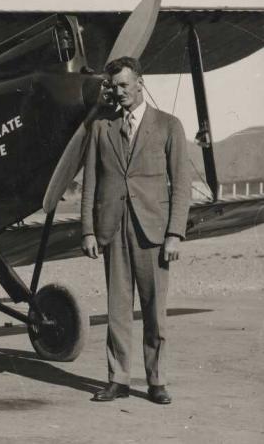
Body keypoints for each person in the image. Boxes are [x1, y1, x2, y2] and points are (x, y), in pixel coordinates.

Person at [81, 56, 191, 405]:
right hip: (113, 229)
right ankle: (119, 379)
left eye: (125, 85)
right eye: (114, 87)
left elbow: (183, 185)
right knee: (117, 310)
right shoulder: (101, 127)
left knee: (154, 310)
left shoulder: (168, 126)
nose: (119, 92)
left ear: (140, 83)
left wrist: (174, 233)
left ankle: (156, 380)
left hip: (153, 232)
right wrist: (88, 231)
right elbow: (90, 184)